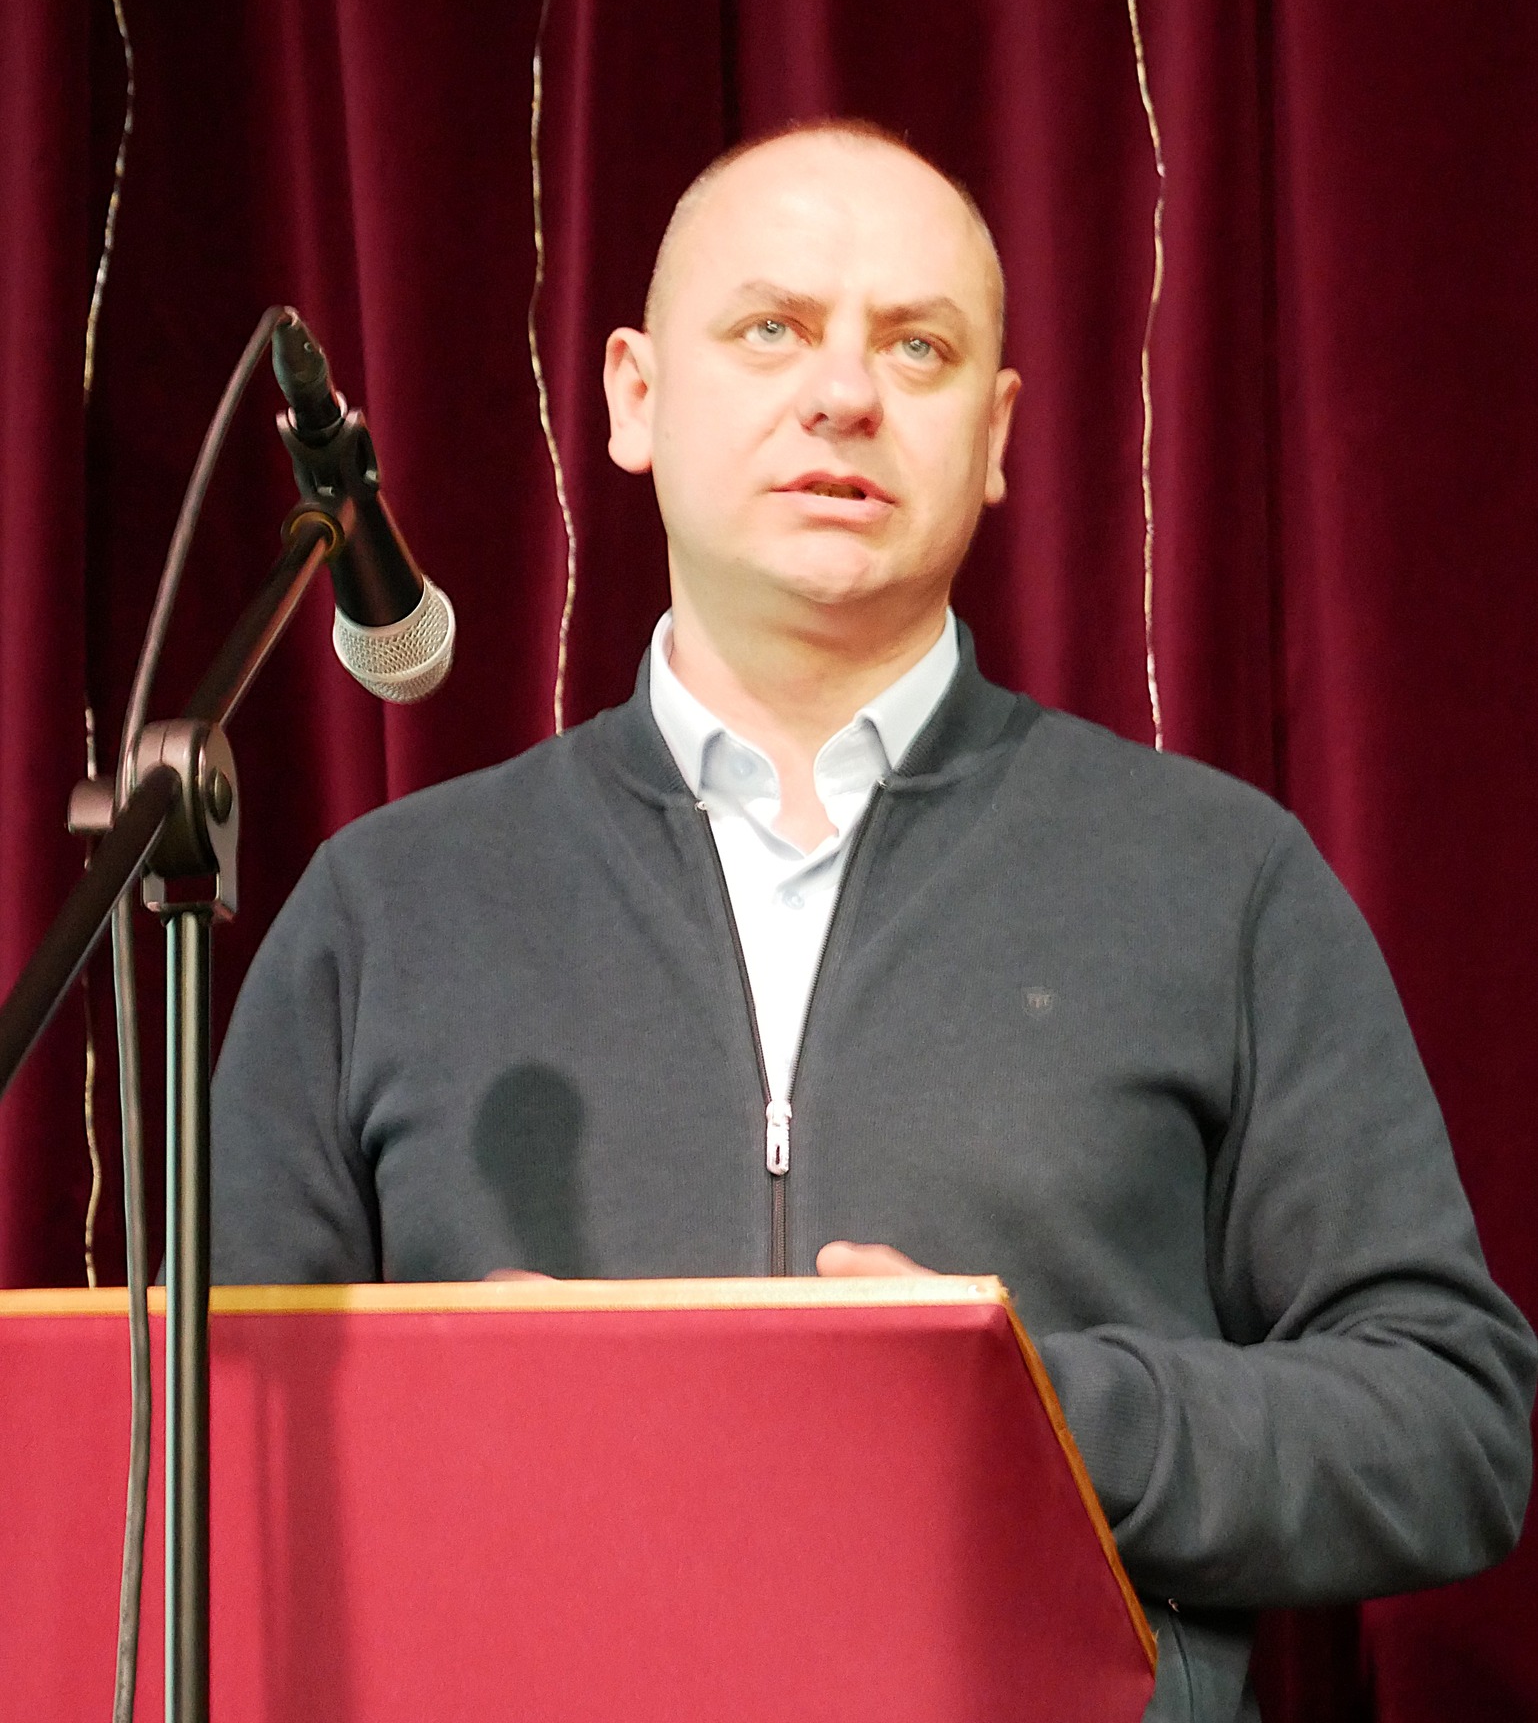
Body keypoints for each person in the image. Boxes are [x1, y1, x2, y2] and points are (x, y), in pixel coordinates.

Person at [210, 120, 1535, 1722]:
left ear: (995, 433)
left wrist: (1034, 1414)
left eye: (917, 347)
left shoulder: (1218, 879)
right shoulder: (386, 910)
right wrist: (459, 1417)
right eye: (770, 329)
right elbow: (203, 1470)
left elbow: (1448, 1424)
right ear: (632, 397)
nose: (843, 393)